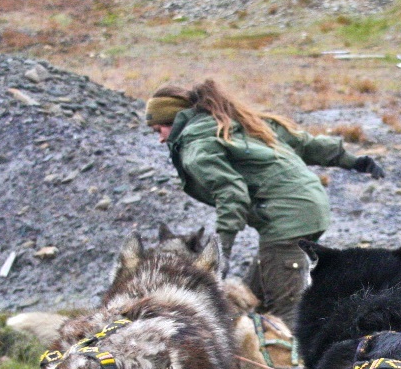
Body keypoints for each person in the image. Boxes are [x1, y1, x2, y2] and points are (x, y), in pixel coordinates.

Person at [146, 79, 385, 324]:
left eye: (159, 130)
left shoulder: (197, 146)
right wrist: (354, 161)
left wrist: (220, 253)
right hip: (306, 207)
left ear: (174, 120)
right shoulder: (233, 122)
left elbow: (232, 193)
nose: (160, 140)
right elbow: (303, 143)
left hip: (288, 219)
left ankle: (306, 358)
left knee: (286, 316)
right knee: (250, 301)